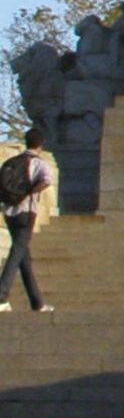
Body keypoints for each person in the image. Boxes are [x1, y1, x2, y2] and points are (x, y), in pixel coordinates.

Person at [0, 127, 56, 314]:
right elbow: (46, 181)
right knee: (17, 251)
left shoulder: (10, 162)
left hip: (9, 211)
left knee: (24, 257)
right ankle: (1, 295)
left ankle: (37, 303)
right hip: (26, 212)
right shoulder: (39, 163)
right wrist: (29, 193)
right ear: (41, 144)